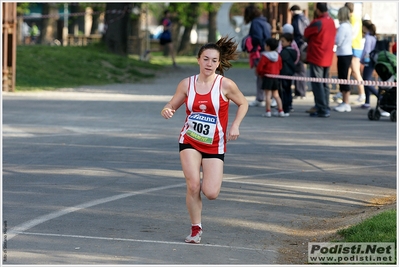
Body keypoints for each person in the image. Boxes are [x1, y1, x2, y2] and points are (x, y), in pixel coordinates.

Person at [160, 36, 248, 244]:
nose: (209, 64)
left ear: (219, 63)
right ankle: (195, 228)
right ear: (198, 59)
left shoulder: (225, 85)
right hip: (189, 139)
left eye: (214, 60)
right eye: (206, 59)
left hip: (215, 144)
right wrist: (166, 110)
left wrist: (235, 125)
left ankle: (199, 218)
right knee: (193, 185)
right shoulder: (186, 84)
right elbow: (171, 105)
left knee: (211, 192)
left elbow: (243, 103)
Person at [304, 2, 336, 118]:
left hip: (317, 55)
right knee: (324, 83)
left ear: (318, 10)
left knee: (317, 83)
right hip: (328, 55)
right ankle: (325, 105)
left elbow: (306, 33)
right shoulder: (331, 21)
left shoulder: (318, 22)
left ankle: (321, 107)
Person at [335, 2, 365, 104]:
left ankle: (361, 93)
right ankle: (343, 92)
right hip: (351, 46)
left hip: (354, 46)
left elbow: (353, 34)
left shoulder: (353, 19)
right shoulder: (351, 20)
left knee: (355, 71)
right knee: (346, 72)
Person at [244, 5, 273, 108]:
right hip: (267, 50)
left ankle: (260, 98)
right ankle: (270, 97)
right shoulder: (264, 21)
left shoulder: (255, 23)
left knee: (260, 75)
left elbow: (257, 37)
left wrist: (252, 44)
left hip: (259, 51)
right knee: (267, 74)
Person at [256, 37, 284, 117]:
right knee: (276, 95)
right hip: (275, 77)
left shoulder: (265, 56)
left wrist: (260, 73)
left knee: (267, 95)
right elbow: (280, 66)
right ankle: (280, 110)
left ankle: (268, 111)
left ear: (268, 46)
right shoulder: (278, 56)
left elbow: (260, 67)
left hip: (267, 77)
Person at [333, 6, 353, 113]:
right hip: (347, 52)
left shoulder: (343, 27)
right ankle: (345, 101)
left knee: (343, 78)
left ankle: (346, 102)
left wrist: (334, 40)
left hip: (343, 54)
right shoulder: (349, 26)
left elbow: (338, 41)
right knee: (344, 77)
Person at [277, 24, 300, 114]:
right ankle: (289, 105)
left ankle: (284, 107)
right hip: (290, 73)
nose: (281, 43)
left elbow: (280, 59)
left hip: (284, 73)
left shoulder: (284, 52)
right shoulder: (294, 52)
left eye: (283, 41)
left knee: (283, 91)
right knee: (288, 90)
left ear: (289, 42)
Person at [290, 5, 310, 99]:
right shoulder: (305, 18)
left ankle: (300, 92)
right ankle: (300, 91)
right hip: (304, 46)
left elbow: (300, 33)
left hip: (299, 46)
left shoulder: (298, 19)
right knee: (301, 70)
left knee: (299, 70)